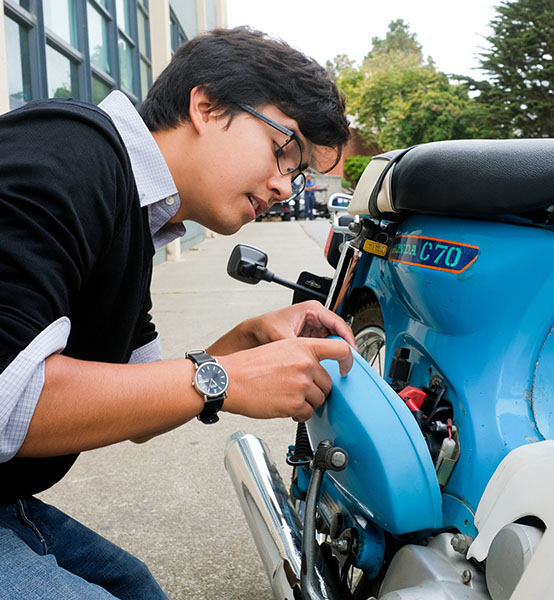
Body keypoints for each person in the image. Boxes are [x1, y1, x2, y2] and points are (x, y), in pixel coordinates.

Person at [0, 27, 353, 599]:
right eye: (282, 151)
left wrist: (241, 346)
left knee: (138, 586)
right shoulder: (66, 155)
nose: (285, 187)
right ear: (207, 106)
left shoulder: (134, 214)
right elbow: (5, 401)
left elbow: (139, 403)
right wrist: (223, 380)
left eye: (298, 173)